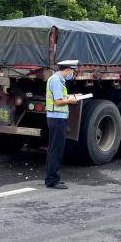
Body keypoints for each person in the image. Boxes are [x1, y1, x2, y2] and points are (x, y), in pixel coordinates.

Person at [45, 59, 80, 189]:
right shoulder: (56, 80)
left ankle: (52, 178)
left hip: (56, 118)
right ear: (67, 69)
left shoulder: (57, 79)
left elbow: (60, 97)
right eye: (72, 70)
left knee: (54, 148)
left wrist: (73, 96)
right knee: (56, 149)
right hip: (57, 118)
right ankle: (52, 180)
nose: (72, 73)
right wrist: (71, 101)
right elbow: (58, 101)